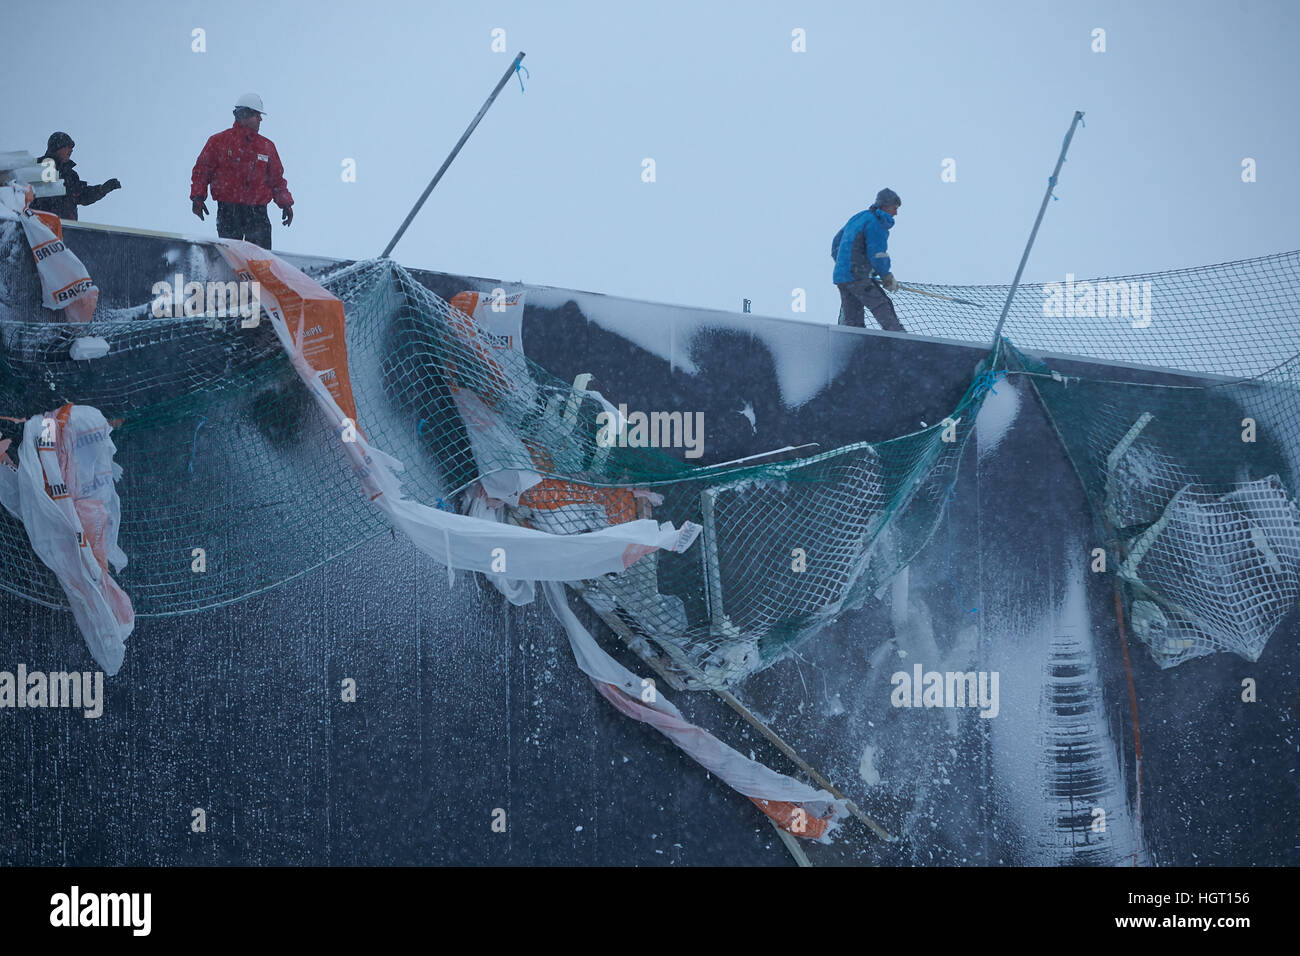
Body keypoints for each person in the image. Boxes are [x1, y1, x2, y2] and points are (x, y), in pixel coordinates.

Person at [190, 93, 293, 249]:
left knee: (261, 262)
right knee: (232, 259)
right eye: (257, 115)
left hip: (258, 215)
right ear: (245, 115)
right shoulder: (218, 142)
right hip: (228, 213)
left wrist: (285, 203)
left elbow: (277, 180)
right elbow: (201, 172)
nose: (260, 119)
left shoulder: (267, 147)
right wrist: (197, 198)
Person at [831, 187, 905, 332]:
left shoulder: (859, 217)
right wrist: (886, 276)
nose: (896, 213)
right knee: (882, 305)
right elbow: (878, 254)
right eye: (894, 208)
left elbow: (836, 244)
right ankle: (899, 337)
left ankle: (854, 342)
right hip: (857, 276)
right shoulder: (875, 223)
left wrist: (844, 265)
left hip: (842, 277)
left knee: (853, 315)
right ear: (884, 206)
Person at [29, 132, 121, 222]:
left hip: (67, 230)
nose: (71, 150)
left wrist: (102, 189)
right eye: (67, 146)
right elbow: (21, 193)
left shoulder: (71, 175)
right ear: (57, 147)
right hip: (39, 228)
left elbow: (82, 195)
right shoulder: (36, 167)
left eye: (72, 148)